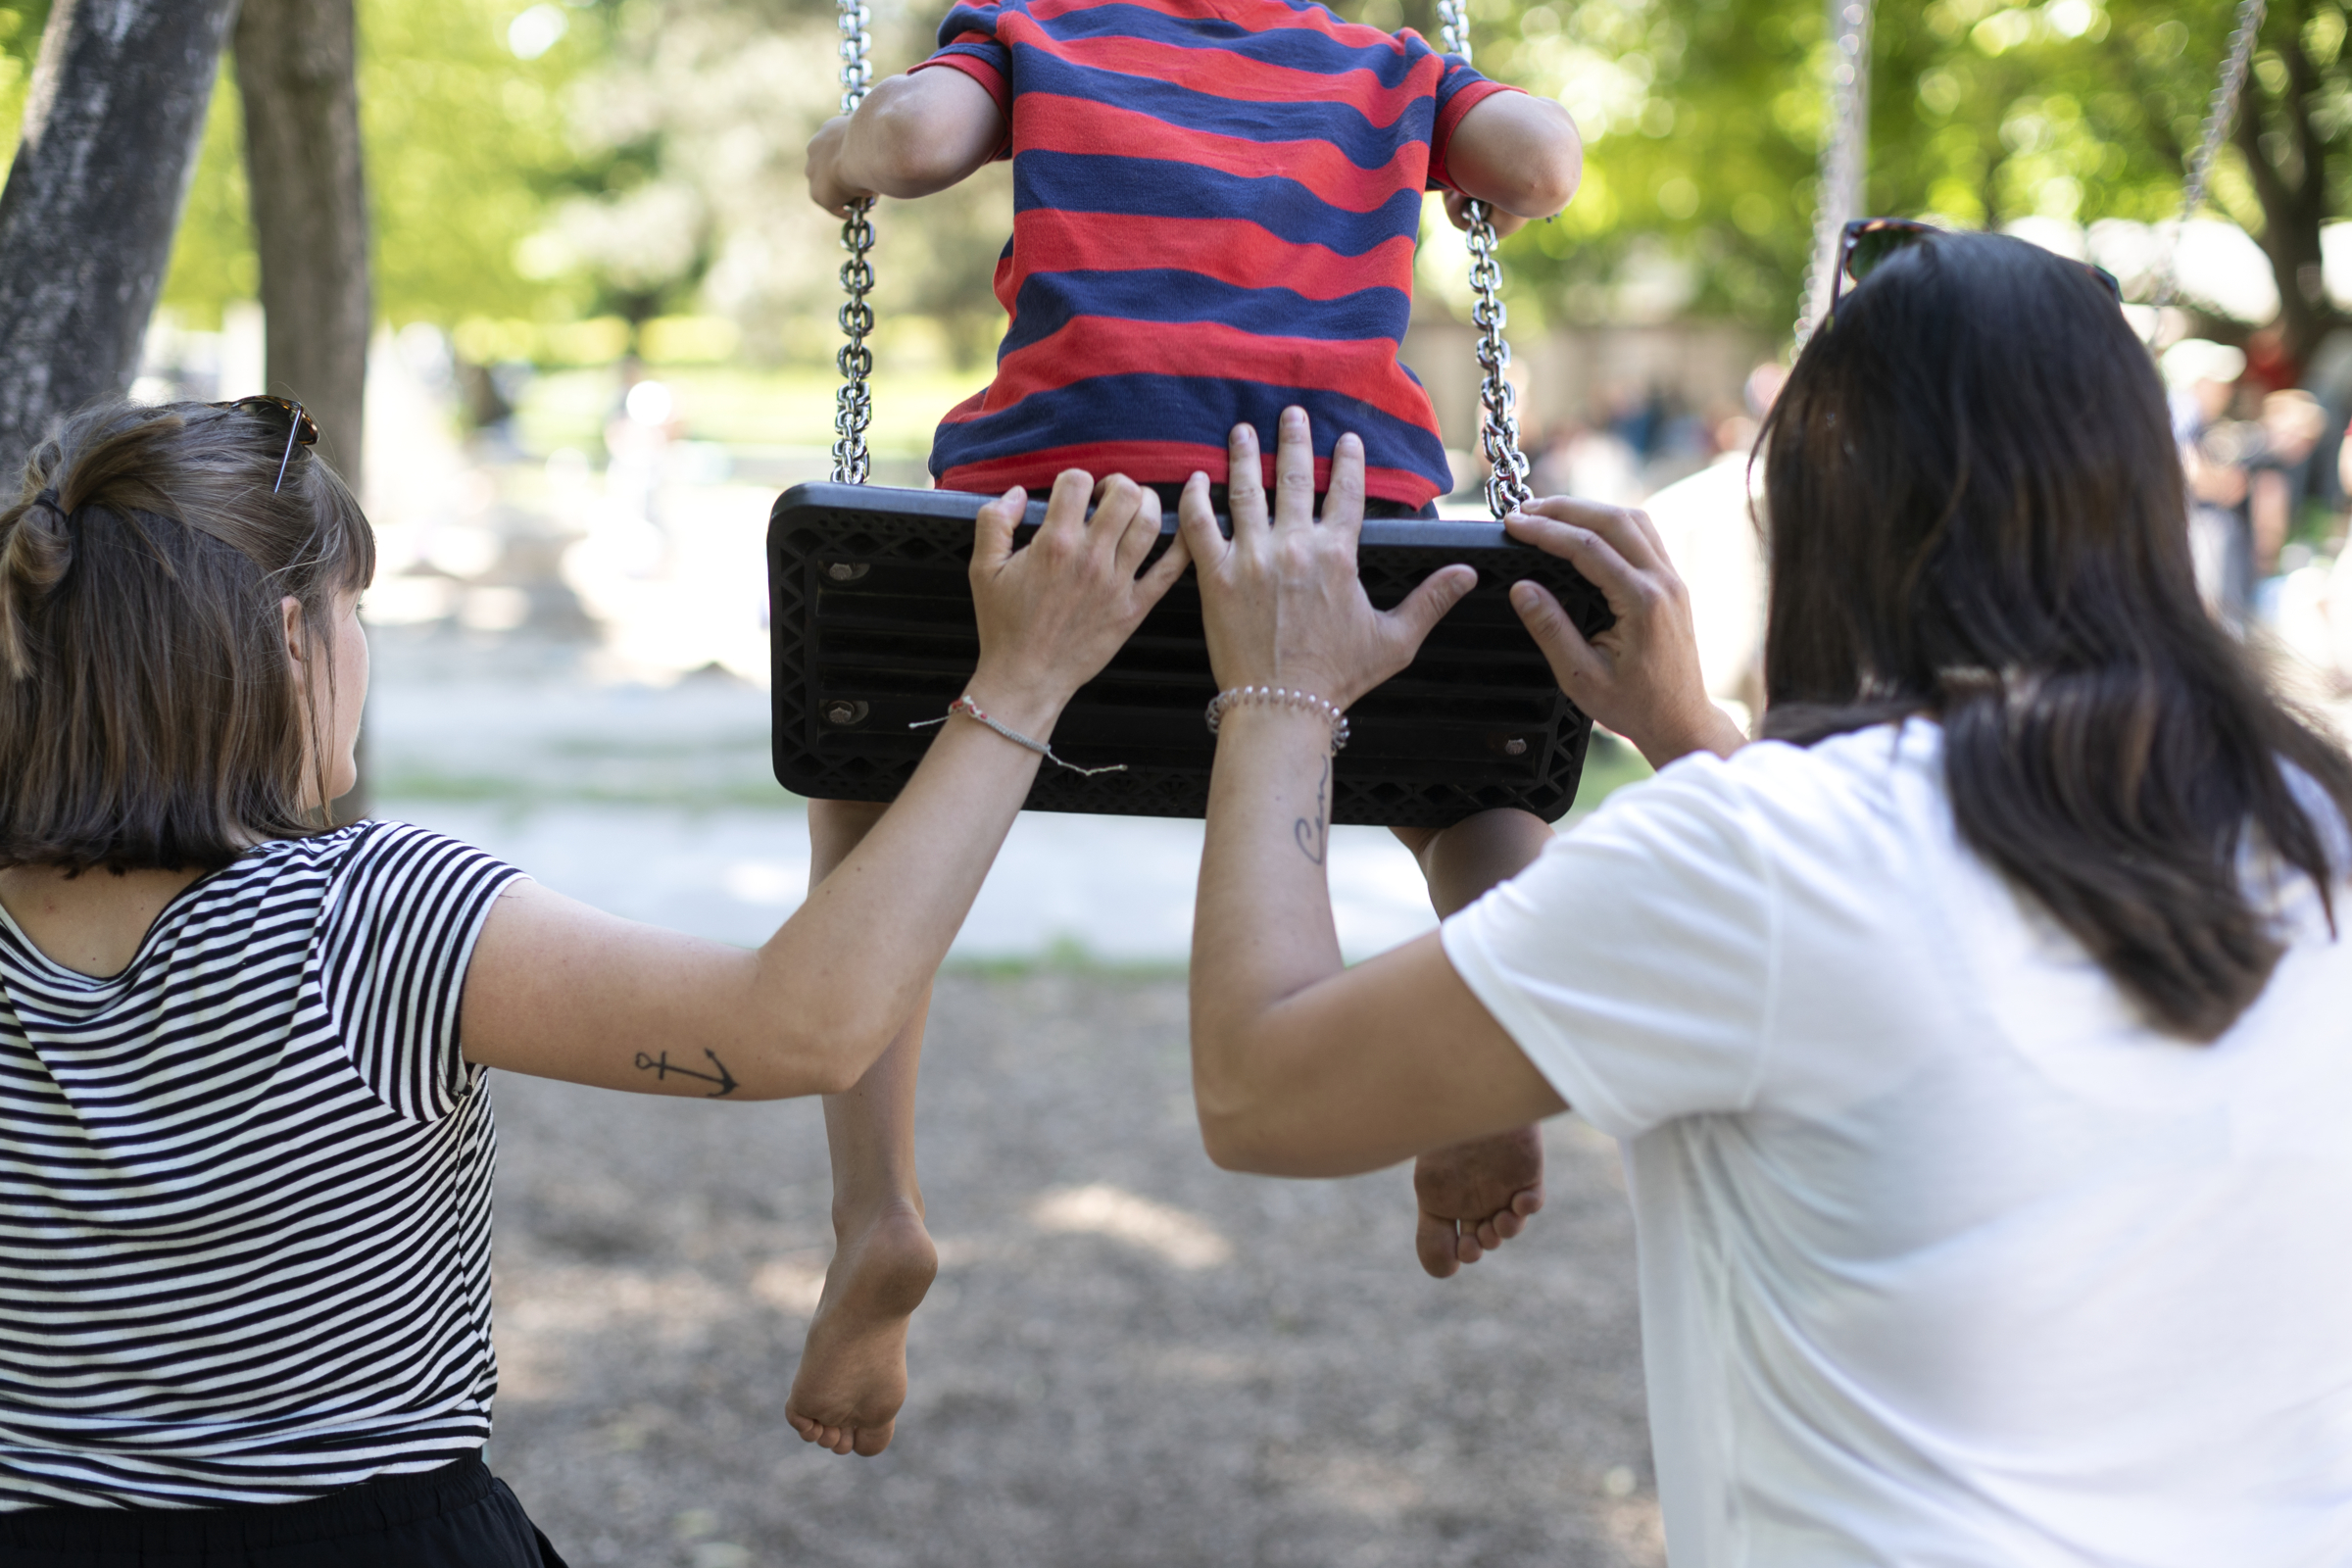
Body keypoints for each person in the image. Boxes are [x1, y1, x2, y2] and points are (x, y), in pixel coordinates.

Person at [1176, 231, 2352, 1563]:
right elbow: (1913, 953)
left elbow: (1261, 1089)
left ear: (1825, 511)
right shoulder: (2307, 821)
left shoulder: (1776, 857)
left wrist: (1277, 691)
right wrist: (1691, 734)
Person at [0, 397, 1186, 1558]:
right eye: (357, 609)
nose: (366, 648)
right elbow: (806, 1021)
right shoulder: (364, 918)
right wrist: (1024, 684)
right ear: (289, 637)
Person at [784, 0, 1588, 1454]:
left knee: (867, 799)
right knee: (1471, 792)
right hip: (1335, 552)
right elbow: (1540, 161)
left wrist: (837, 158)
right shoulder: (1390, 67)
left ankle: (877, 1215)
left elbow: (910, 140)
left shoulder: (1035, 36)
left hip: (1066, 546)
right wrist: (1469, 153)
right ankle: (1497, 1046)